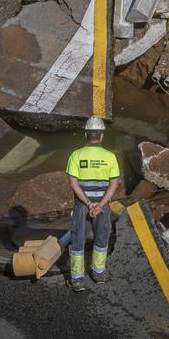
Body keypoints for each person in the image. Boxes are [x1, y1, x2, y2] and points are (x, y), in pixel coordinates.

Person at [64, 116, 121, 291]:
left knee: (77, 239)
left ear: (86, 134)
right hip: (102, 206)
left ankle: (77, 278)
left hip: (82, 205)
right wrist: (100, 204)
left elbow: (73, 183)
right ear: (102, 135)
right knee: (102, 237)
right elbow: (114, 184)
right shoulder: (110, 157)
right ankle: (98, 272)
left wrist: (89, 203)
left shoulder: (76, 155)